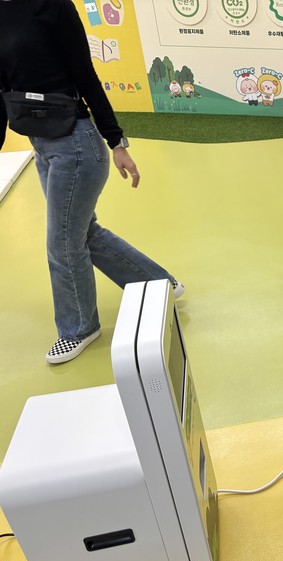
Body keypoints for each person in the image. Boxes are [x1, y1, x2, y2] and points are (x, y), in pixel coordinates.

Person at [0, 0, 182, 364]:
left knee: (63, 243)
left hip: (75, 144)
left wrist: (116, 142)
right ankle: (159, 284)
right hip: (41, 143)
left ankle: (79, 327)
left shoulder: (51, 7)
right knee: (83, 233)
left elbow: (86, 75)